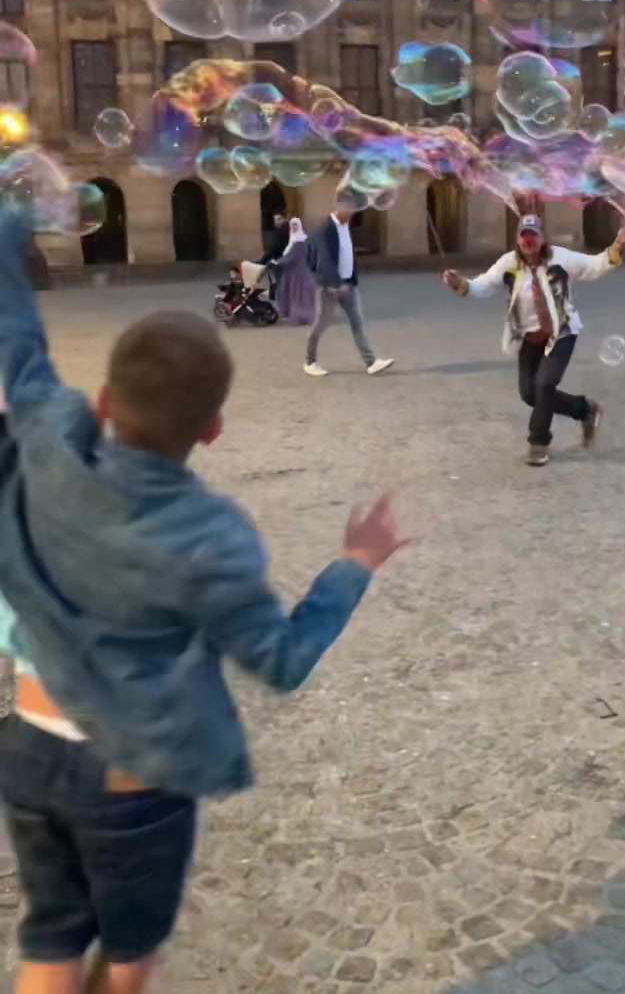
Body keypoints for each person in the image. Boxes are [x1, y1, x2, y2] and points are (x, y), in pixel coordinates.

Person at [0, 208, 410, 994]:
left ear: (104, 403)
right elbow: (282, 660)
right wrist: (355, 564)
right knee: (128, 959)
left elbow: (19, 345)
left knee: (50, 943)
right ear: (214, 428)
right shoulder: (213, 535)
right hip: (130, 776)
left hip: (30, 746)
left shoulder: (49, 443)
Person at [443, 213, 625, 466]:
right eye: (523, 235)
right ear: (518, 240)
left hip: (560, 333)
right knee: (530, 394)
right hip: (529, 337)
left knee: (544, 384)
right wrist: (459, 283)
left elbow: (594, 265)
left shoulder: (561, 258)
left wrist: (615, 249)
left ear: (542, 238)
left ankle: (538, 443)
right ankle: (586, 410)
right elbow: (482, 285)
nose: (528, 240)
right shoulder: (508, 264)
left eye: (533, 235)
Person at [304, 192, 394, 378]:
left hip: (348, 286)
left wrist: (350, 281)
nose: (352, 213)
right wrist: (335, 283)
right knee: (321, 324)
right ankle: (310, 361)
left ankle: (371, 362)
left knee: (357, 322)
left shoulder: (345, 226)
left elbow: (347, 255)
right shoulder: (325, 229)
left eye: (354, 209)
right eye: (350, 209)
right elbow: (324, 259)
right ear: (339, 206)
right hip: (330, 287)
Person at [275, 217, 315, 325]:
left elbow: (292, 257)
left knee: (299, 295)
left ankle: (302, 316)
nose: (294, 227)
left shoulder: (300, 240)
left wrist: (278, 262)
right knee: (294, 294)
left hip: (298, 273)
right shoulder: (293, 239)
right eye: (292, 225)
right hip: (292, 272)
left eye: (296, 225)